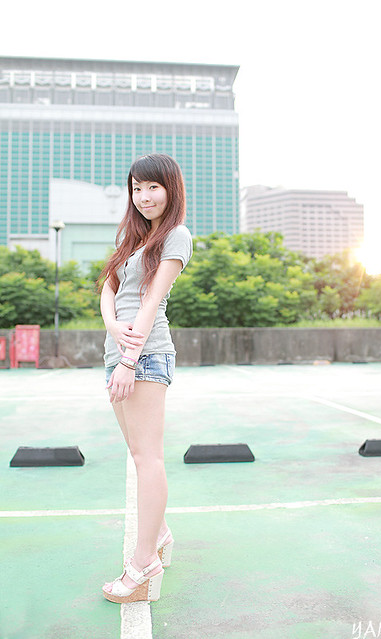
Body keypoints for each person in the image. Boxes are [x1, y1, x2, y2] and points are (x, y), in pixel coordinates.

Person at [98, 153, 193, 604]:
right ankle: (162, 533)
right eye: (136, 188)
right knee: (138, 455)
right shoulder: (135, 238)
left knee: (147, 458)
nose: (144, 196)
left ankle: (143, 564)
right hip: (118, 352)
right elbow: (109, 287)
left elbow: (152, 300)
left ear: (171, 188)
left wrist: (129, 360)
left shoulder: (176, 235)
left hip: (145, 355)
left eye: (153, 186)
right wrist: (112, 328)